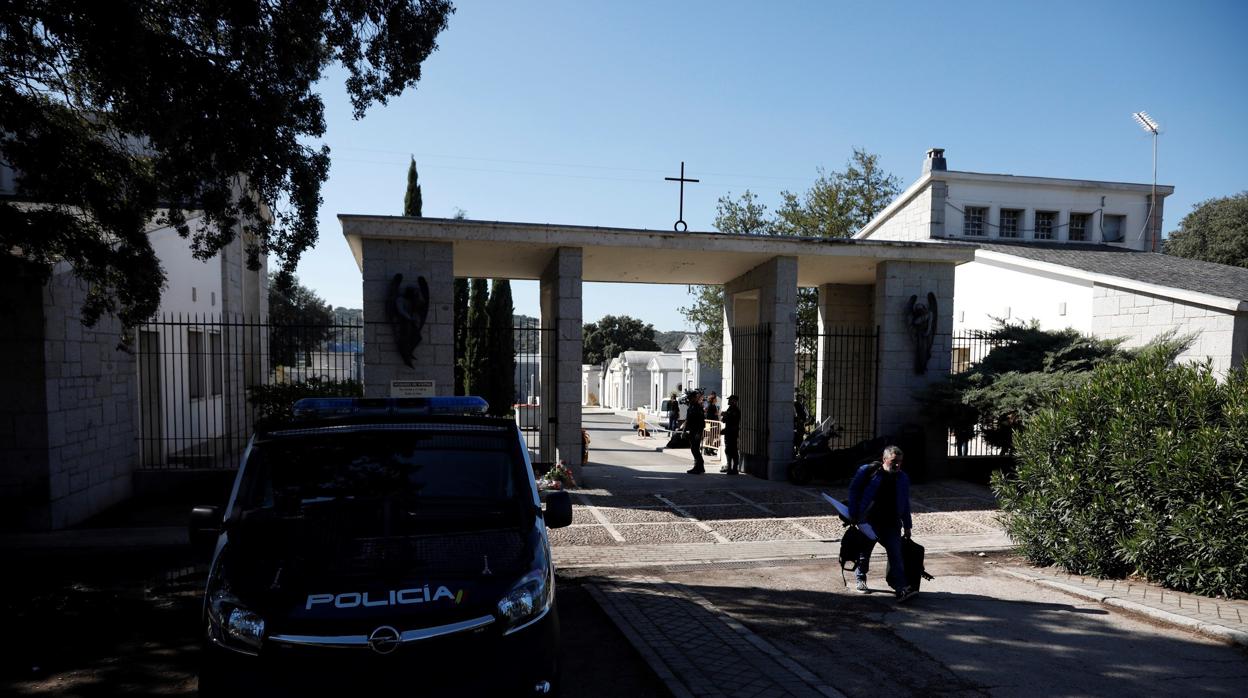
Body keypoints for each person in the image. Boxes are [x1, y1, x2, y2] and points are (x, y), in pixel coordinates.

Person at [847, 445, 916, 602]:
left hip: (891, 523)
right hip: (869, 521)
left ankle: (901, 588)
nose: (897, 465)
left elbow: (904, 502)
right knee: (865, 553)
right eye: (894, 461)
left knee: (896, 555)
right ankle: (860, 578)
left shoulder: (902, 478)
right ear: (884, 459)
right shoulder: (869, 472)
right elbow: (854, 490)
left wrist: (907, 525)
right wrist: (853, 513)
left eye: (900, 461)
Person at [683, 389, 705, 474]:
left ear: (695, 398)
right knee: (693, 448)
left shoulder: (698, 407)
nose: (689, 400)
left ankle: (698, 466)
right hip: (692, 430)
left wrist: (699, 433)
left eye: (691, 398)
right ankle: (700, 466)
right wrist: (684, 431)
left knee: (695, 449)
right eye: (689, 398)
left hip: (697, 431)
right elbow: (687, 420)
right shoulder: (691, 407)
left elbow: (701, 422)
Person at [719, 394, 741, 475]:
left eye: (730, 399)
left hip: (732, 433)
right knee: (728, 450)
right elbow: (724, 420)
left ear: (734, 401)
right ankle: (729, 467)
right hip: (728, 433)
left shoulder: (736, 410)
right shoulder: (729, 409)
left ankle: (734, 468)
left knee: (733, 450)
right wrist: (724, 416)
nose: (728, 401)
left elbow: (734, 423)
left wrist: (726, 415)